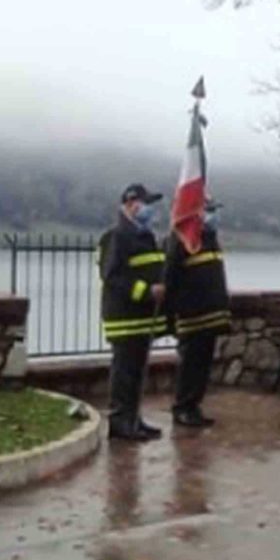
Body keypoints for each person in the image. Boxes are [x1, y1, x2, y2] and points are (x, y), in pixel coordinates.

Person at [101, 183, 167, 441]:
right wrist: (146, 291)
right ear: (130, 204)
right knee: (124, 372)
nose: (150, 209)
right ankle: (120, 422)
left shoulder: (146, 237)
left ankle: (134, 419)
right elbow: (112, 277)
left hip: (143, 319)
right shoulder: (115, 236)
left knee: (138, 373)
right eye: (146, 203)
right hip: (124, 319)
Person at [164, 203, 230, 428]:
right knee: (189, 366)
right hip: (191, 318)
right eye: (208, 210)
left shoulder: (210, 239)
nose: (213, 215)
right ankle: (182, 408)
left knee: (202, 366)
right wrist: (171, 316)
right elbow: (170, 278)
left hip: (211, 317)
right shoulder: (181, 240)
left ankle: (194, 406)